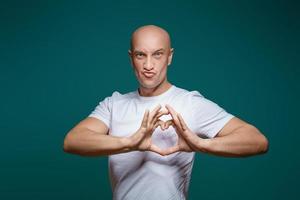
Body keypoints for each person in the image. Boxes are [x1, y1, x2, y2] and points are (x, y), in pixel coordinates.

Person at [63, 25, 269, 200]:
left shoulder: (190, 103)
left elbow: (257, 141)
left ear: (169, 57)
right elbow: (73, 141)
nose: (148, 65)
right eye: (140, 55)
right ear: (131, 58)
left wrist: (201, 144)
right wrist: (129, 143)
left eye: (157, 54)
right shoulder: (114, 104)